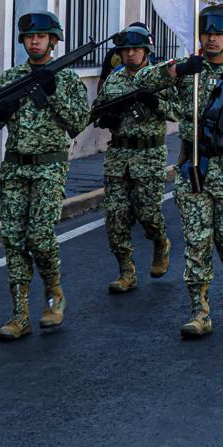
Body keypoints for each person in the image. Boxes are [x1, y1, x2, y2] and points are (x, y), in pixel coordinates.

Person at [137, 7, 223, 339]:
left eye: (217, 34)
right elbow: (142, 82)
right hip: (194, 169)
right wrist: (177, 69)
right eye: (206, 34)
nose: (211, 39)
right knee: (197, 242)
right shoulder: (189, 73)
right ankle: (199, 311)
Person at [0, 11, 89, 341]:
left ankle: (54, 293)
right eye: (29, 37)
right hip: (15, 167)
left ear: (53, 41)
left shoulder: (67, 80)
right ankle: (19, 315)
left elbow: (79, 122)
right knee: (14, 240)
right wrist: (0, 111)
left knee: (39, 237)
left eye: (41, 37)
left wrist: (52, 91)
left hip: (49, 167)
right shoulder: (10, 79)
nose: (34, 41)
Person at [91, 25, 174, 295]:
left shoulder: (160, 78)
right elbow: (99, 108)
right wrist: (106, 117)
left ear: (146, 51)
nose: (130, 54)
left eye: (136, 49)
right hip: (118, 155)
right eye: (125, 50)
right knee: (115, 215)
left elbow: (180, 111)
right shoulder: (114, 80)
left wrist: (157, 104)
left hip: (149, 155)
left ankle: (160, 242)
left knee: (147, 212)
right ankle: (126, 271)